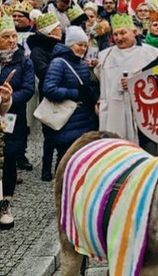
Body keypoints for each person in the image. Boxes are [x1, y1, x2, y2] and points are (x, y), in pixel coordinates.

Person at [95, 13, 158, 148]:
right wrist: (97, 99)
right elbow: (96, 82)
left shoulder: (152, 54)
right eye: (115, 34)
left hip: (144, 117)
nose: (119, 38)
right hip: (114, 114)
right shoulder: (105, 56)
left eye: (123, 33)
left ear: (134, 32)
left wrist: (136, 83)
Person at [41, 26, 98, 177]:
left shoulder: (82, 64)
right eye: (79, 45)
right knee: (65, 160)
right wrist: (75, 93)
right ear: (70, 44)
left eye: (85, 46)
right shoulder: (59, 63)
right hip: (67, 120)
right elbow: (49, 89)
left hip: (84, 119)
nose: (83, 49)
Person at [0, 15, 35, 230]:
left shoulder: (23, 60)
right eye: (6, 37)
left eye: (14, 36)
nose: (12, 40)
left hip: (11, 116)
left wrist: (9, 98)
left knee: (9, 156)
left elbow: (29, 89)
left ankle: (6, 204)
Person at [27, 12, 63, 177]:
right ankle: (46, 168)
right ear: (50, 32)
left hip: (63, 92)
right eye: (57, 28)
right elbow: (43, 71)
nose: (61, 30)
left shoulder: (61, 46)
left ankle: (60, 167)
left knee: (64, 131)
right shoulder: (38, 50)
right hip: (48, 92)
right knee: (49, 132)